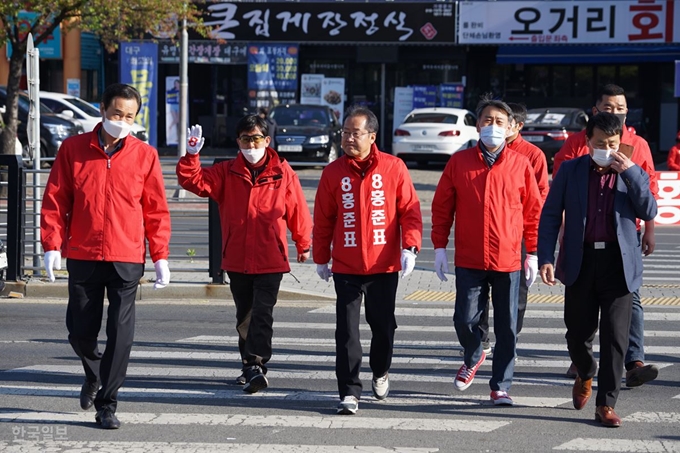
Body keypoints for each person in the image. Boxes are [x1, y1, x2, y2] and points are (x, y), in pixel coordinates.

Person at [40, 83, 172, 430]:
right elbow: (56, 201)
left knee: (121, 333)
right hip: (83, 252)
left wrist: (160, 256)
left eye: (129, 116)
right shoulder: (73, 149)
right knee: (80, 331)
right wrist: (51, 245)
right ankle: (93, 372)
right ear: (102, 110)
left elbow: (155, 210)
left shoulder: (145, 155)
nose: (122, 121)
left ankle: (108, 405)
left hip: (126, 255)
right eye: (117, 114)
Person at [538, 112, 657, 427]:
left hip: (619, 265)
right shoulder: (570, 170)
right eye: (601, 143)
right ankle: (585, 371)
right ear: (588, 141)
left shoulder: (632, 172)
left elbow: (648, 209)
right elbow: (550, 215)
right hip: (581, 261)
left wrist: (630, 173)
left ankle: (606, 404)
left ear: (621, 142)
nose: (607, 148)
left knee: (616, 337)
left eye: (613, 143)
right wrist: (545, 258)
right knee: (577, 333)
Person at [177, 115, 312, 394]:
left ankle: (255, 365)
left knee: (262, 314)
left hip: (271, 258)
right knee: (245, 317)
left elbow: (298, 210)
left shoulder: (283, 172)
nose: (251, 144)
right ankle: (249, 366)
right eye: (245, 139)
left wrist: (303, 243)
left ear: (267, 141)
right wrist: (191, 155)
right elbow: (193, 182)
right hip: (237, 258)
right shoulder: (226, 172)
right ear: (238, 142)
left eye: (256, 139)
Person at [431, 95, 542, 406]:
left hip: (508, 259)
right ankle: (474, 352)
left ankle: (501, 386)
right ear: (477, 125)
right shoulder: (459, 162)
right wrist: (439, 247)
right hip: (470, 256)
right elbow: (442, 208)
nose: (492, 126)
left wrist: (532, 252)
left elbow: (533, 212)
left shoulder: (520, 164)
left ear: (509, 129)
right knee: (464, 319)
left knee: (508, 327)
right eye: (487, 120)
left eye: (499, 122)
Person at [313, 106, 422, 415]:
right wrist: (321, 258)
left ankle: (381, 370)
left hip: (383, 265)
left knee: (383, 327)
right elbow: (322, 219)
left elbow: (410, 211)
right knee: (346, 331)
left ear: (372, 136)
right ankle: (349, 391)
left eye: (355, 133)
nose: (348, 138)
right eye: (345, 133)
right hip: (346, 266)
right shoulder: (333, 172)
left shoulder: (393, 168)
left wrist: (410, 247)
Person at [553, 84, 659, 387]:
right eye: (609, 107)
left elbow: (649, 189)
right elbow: (561, 191)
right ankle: (582, 360)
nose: (616, 113)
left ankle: (633, 360)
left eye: (621, 108)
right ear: (595, 111)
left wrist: (649, 229)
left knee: (630, 299)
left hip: (623, 239)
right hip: (583, 242)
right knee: (580, 312)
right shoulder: (577, 144)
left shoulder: (638, 144)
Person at [474, 102, 549, 356]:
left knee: (516, 292)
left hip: (516, 233)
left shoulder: (532, 155)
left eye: (504, 122)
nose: (497, 128)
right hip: (483, 233)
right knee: (479, 290)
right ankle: (481, 338)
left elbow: (538, 196)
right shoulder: (477, 153)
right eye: (490, 121)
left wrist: (535, 246)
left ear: (516, 126)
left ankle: (509, 338)